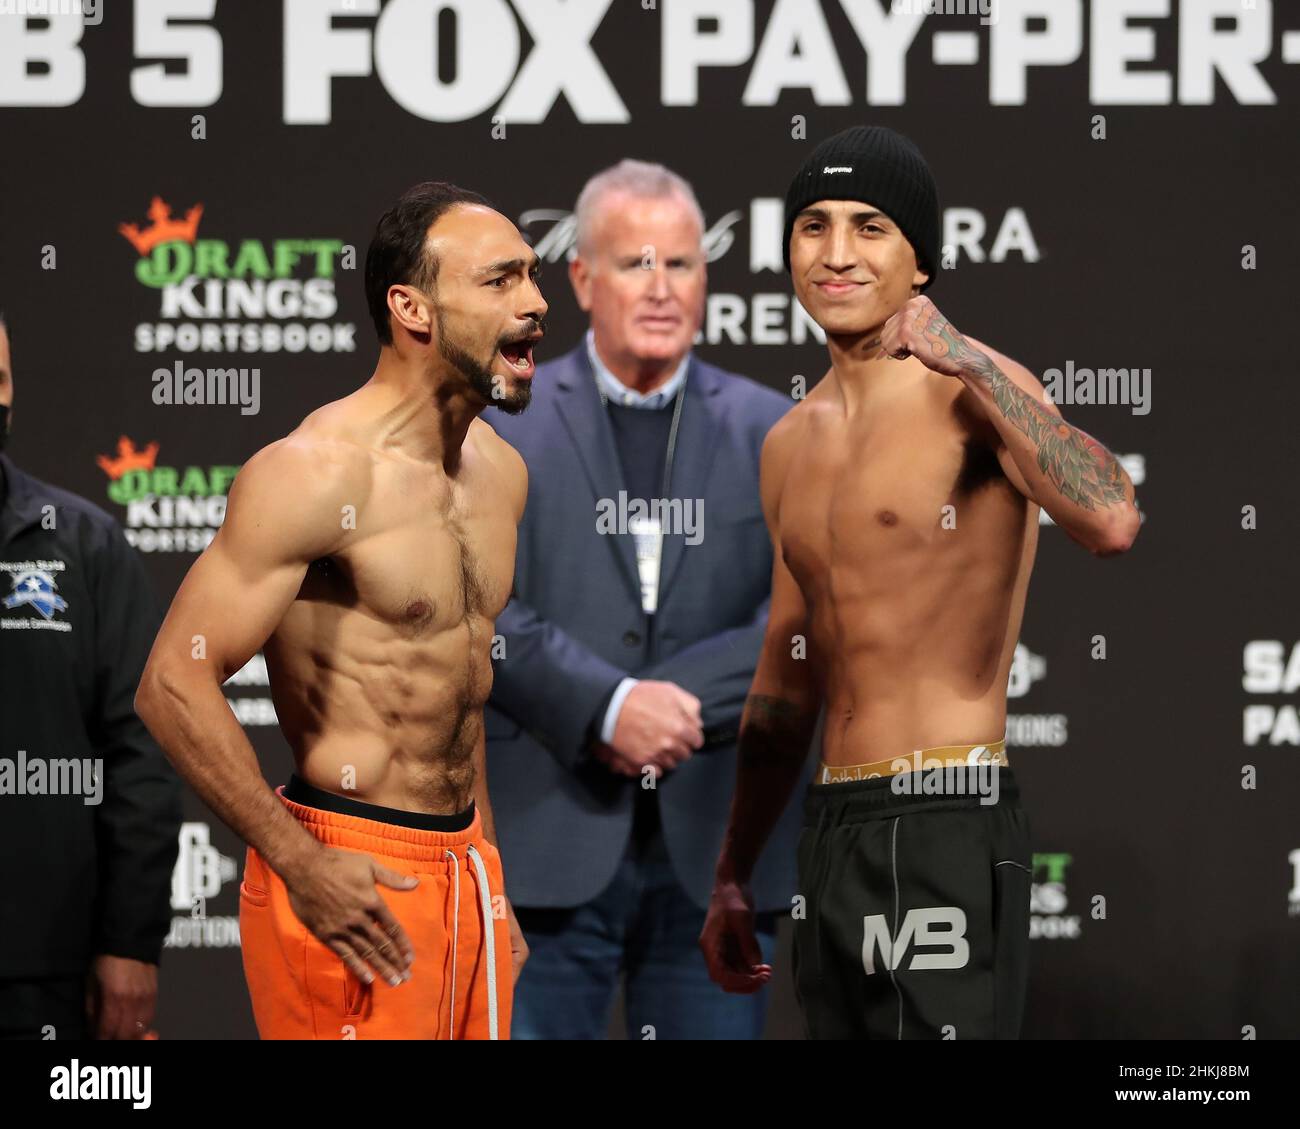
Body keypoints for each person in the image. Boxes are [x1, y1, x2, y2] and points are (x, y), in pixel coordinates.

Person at [700, 126, 1141, 1039]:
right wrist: (736, 868)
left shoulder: (976, 392)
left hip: (945, 811)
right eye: (813, 226)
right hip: (831, 828)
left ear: (922, 262)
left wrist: (972, 362)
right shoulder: (789, 443)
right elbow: (786, 683)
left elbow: (1111, 518)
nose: (835, 253)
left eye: (870, 227)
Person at [135, 183, 545, 1040]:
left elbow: (462, 700)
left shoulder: (500, 474)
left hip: (466, 866)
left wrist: (493, 881)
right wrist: (300, 863)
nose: (536, 303)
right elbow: (174, 680)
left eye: (532, 278)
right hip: (351, 866)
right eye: (501, 281)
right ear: (412, 308)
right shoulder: (317, 473)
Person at [485, 160, 801, 1039]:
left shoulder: (776, 429)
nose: (662, 288)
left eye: (683, 264)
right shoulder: (502, 420)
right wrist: (606, 704)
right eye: (635, 264)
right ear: (581, 278)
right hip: (546, 840)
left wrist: (671, 703)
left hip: (720, 851)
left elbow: (806, 617)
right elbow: (476, 605)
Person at [0, 312, 181, 1040]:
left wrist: (130, 942)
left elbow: (141, 750)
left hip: (43, 969)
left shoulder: (81, 544)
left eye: (0, 380)